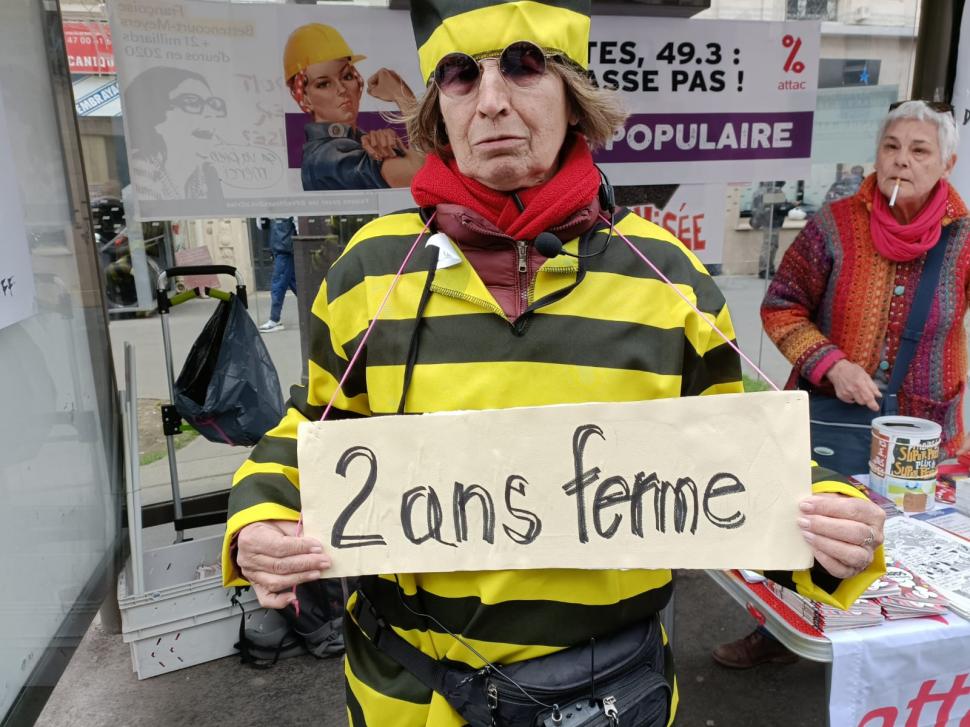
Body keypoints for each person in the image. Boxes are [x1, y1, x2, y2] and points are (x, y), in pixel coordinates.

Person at [223, 1, 886, 723]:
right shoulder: (369, 271)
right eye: (460, 79)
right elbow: (312, 425)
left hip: (609, 696)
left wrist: (835, 522)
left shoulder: (665, 279)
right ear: (437, 113)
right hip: (407, 696)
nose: (493, 102)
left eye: (524, 69)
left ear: (575, 100)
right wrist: (258, 517)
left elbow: (744, 458)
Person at [713, 100, 967, 669]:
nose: (902, 161)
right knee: (811, 530)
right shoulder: (835, 225)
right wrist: (832, 363)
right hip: (829, 417)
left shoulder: (965, 238)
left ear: (946, 162)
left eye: (919, 150)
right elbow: (781, 306)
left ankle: (903, 654)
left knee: (910, 545)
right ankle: (781, 631)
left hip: (924, 430)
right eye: (892, 147)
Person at [284, 23, 425, 191]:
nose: (342, 89)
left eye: (347, 76)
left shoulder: (354, 139)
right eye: (323, 84)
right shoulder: (327, 157)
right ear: (304, 98)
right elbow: (422, 175)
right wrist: (402, 96)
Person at [124, 67, 226, 201]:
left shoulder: (207, 175)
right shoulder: (141, 174)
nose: (209, 113)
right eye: (192, 102)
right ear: (156, 116)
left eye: (213, 104)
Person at [258, 217, 297, 333]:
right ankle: (320, 312)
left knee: (278, 285)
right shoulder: (273, 209)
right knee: (296, 284)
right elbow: (261, 225)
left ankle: (274, 320)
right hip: (281, 248)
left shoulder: (286, 207)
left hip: (284, 250)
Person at [749, 181, 790, 278]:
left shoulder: (759, 191)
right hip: (772, 221)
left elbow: (755, 209)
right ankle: (765, 270)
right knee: (770, 246)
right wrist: (791, 205)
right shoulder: (774, 190)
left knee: (771, 245)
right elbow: (780, 207)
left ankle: (769, 269)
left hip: (766, 221)